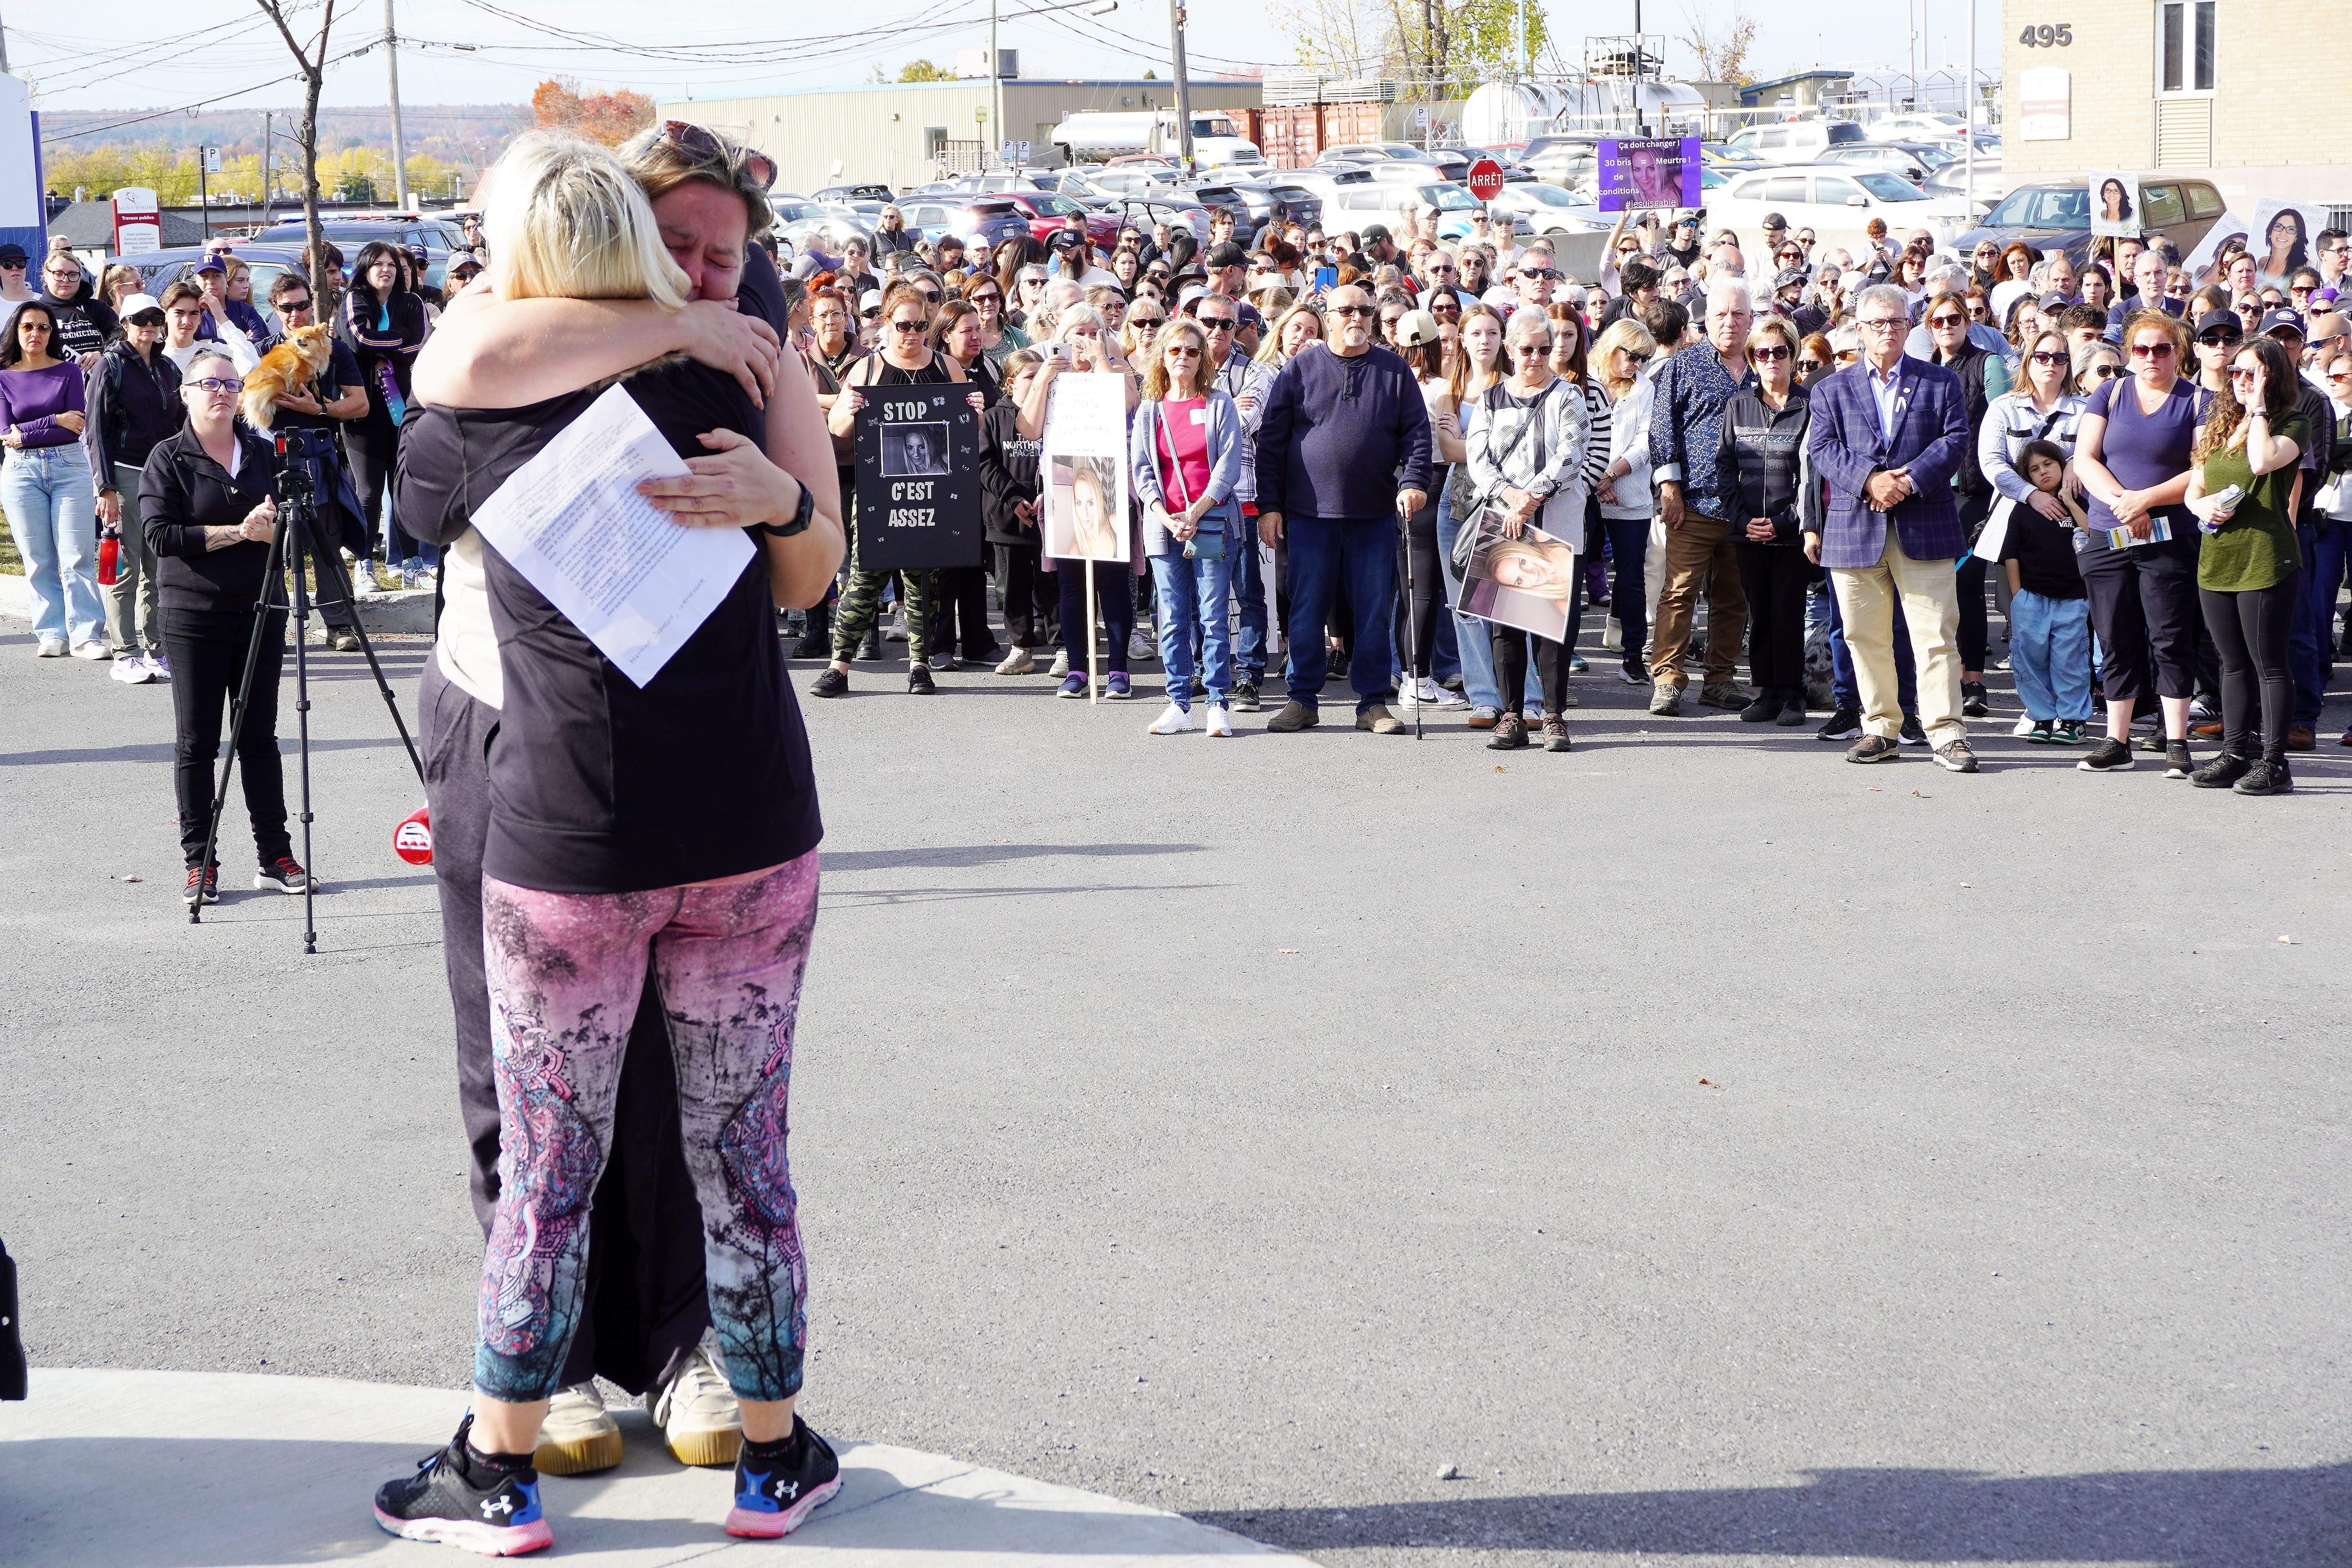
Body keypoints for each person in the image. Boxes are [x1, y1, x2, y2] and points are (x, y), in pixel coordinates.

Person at [380, 131, 847, 1551]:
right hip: (748, 826)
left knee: (547, 1168)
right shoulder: (727, 374)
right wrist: (760, 464)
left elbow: (445, 381)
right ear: (637, 243)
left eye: (725, 255)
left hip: (572, 837)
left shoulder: (475, 416)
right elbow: (806, 568)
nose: (708, 273)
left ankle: (499, 1465)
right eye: (679, 248)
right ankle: (771, 1460)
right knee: (746, 1159)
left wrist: (781, 502)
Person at [140, 347, 312, 905]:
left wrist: (276, 531)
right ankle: (201, 862)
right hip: (193, 616)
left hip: (262, 610)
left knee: (259, 738)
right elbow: (161, 536)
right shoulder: (168, 457)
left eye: (230, 384)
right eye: (209, 384)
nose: (221, 392)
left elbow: (304, 534)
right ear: (185, 394)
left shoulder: (264, 453)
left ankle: (275, 857)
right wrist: (241, 532)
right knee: (198, 743)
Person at [1803, 283, 1977, 772]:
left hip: (1925, 524)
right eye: (1877, 323)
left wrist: (1907, 481)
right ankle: (1880, 729)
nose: (1888, 330)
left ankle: (1947, 733)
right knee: (1864, 637)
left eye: (1897, 322)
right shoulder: (1830, 389)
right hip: (1853, 528)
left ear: (1909, 326)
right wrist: (1870, 481)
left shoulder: (1939, 381)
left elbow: (1955, 439)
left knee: (1935, 635)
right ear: (1859, 329)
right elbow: (1822, 449)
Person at [1254, 282, 1433, 736]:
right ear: (1328, 317)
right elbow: (1271, 443)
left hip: (1374, 514)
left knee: (1373, 611)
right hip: (1309, 515)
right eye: (1347, 310)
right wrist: (1270, 506)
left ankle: (1372, 703)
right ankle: (1302, 699)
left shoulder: (1394, 370)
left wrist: (1414, 482)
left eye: (1365, 311)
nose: (1357, 317)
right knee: (1306, 610)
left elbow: (1417, 434)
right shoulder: (1299, 369)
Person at [813, 279, 982, 699]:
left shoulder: (946, 366)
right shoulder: (868, 368)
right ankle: (838, 667)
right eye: (905, 325)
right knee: (864, 579)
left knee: (923, 582)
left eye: (921, 325)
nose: (913, 334)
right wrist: (849, 408)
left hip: (933, 493)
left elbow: (967, 430)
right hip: (879, 495)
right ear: (888, 323)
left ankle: (919, 666)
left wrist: (975, 412)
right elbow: (837, 428)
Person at [2069, 308, 2206, 775]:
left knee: (2170, 637)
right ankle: (2117, 740)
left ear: (2177, 352)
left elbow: (2202, 470)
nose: (2151, 357)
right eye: (2142, 349)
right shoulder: (2109, 392)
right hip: (2107, 533)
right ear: (2129, 353)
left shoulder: (2197, 399)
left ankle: (2176, 741)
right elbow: (2085, 458)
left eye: (2161, 349)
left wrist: (2146, 499)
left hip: (2170, 536)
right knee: (2115, 636)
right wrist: (2124, 503)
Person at [2183, 334, 2307, 792]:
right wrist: (2200, 506)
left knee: (2268, 664)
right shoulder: (2220, 422)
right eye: (2235, 372)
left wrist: (2257, 410)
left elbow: (2261, 462)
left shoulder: (2291, 421)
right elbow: (2194, 486)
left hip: (2265, 557)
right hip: (2217, 558)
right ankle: (2235, 754)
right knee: (2231, 663)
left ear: (2272, 376)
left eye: (2251, 372)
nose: (2239, 380)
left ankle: (2274, 764)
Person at [1464, 308, 1587, 751]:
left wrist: (1530, 497)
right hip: (1506, 525)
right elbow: (1478, 460)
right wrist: (1510, 497)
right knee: (1507, 625)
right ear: (1511, 350)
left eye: (1543, 348)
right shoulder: (1490, 399)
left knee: (1554, 627)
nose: (1536, 357)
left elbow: (1572, 453)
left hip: (1556, 524)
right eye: (1527, 349)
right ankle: (1512, 715)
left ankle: (1553, 715)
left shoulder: (1568, 395)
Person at [1645, 278, 1757, 716]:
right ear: (1705, 320)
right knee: (1679, 593)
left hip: (1747, 508)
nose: (1730, 322)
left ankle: (1720, 680)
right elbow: (1662, 427)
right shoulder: (1683, 365)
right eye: (1721, 315)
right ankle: (1667, 679)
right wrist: (1669, 486)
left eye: (1738, 314)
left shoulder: (1765, 365)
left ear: (1751, 319)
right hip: (1694, 502)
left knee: (1733, 599)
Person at [1131, 317, 1243, 735]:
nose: (1183, 357)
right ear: (1162, 355)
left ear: (1202, 359)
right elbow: (1142, 471)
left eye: (1192, 351)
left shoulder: (1219, 404)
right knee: (1173, 617)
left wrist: (1195, 513)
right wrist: (1165, 516)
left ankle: (1217, 703)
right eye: (1175, 350)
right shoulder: (1150, 409)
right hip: (1165, 527)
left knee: (1213, 617)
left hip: (1210, 522)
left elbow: (1228, 465)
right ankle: (1179, 702)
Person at [253, 271, 374, 653]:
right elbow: (240, 402)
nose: (296, 314)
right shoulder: (262, 349)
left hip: (319, 456)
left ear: (312, 305)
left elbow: (361, 405)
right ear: (275, 309)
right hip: (272, 456)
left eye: (302, 305)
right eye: (287, 307)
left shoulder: (332, 349)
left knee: (327, 543)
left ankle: (338, 625)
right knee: (270, 544)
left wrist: (318, 408)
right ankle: (272, 627)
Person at [1024, 304, 1142, 696]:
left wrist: (1101, 360)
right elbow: (1028, 428)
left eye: (1095, 332)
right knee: (1072, 586)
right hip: (1063, 482)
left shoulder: (1118, 367)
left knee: (1112, 583)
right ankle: (1077, 669)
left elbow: (1123, 406)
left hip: (1109, 480)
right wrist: (1043, 379)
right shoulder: (1050, 373)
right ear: (1063, 335)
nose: (1086, 340)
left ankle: (1119, 670)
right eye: (1079, 332)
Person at [1716, 315, 1821, 726]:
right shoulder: (1738, 405)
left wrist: (1784, 522)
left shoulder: (1810, 406)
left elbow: (1812, 476)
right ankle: (1766, 692)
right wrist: (1741, 519)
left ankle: (1793, 694)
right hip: (1748, 532)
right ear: (1752, 359)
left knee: (1788, 612)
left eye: (1780, 351)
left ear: (1793, 356)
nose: (1772, 359)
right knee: (1758, 613)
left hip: (1791, 533)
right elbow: (1726, 467)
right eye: (1763, 353)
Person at [85, 292, 184, 677]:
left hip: (162, 475)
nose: (150, 326)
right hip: (124, 474)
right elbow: (96, 431)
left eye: (156, 318)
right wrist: (105, 487)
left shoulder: (167, 367)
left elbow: (181, 423)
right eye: (141, 319)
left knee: (159, 567)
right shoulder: (110, 366)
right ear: (125, 323)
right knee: (125, 566)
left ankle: (155, 649)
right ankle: (124, 651)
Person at [0, 300, 103, 661]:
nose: (36, 333)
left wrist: (29, 431)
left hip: (69, 466)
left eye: (43, 327)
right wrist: (54, 420)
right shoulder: (3, 377)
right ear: (16, 331)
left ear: (51, 333)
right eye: (28, 326)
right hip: (21, 472)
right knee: (37, 558)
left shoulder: (69, 372)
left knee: (77, 555)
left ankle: (87, 636)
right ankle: (52, 633)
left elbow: (75, 424)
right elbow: (6, 434)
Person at [1199, 291, 1276, 709]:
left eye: (1226, 324)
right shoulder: (1178, 367)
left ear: (1238, 328)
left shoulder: (1257, 373)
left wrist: (1205, 408)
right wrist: (1227, 403)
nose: (1217, 330)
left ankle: (1248, 675)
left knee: (1248, 594)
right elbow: (1175, 427)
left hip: (1241, 500)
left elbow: (1241, 427)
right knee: (1200, 595)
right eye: (1209, 322)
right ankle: (1204, 669)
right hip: (1192, 502)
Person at [340, 240, 429, 593]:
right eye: (378, 264)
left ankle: (412, 564)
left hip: (404, 407)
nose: (386, 270)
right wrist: (396, 340)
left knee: (404, 486)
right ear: (365, 269)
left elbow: (417, 346)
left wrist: (385, 346)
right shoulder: (354, 299)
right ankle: (364, 565)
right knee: (369, 491)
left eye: (391, 264)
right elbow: (358, 340)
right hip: (363, 411)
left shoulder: (411, 302)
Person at [1391, 308, 1462, 713]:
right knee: (1425, 591)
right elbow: (1451, 446)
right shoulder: (1441, 388)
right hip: (1432, 483)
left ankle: (1413, 678)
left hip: (1397, 483)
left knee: (1409, 591)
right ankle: (1418, 681)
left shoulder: (1389, 381)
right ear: (1436, 344)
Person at [2000, 439, 2094, 742]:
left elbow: (2093, 536)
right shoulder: (2023, 510)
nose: (2043, 472)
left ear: (2062, 465)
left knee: (2070, 660)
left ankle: (2073, 720)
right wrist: (2018, 595)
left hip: (2073, 597)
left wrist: (2070, 501)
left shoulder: (2082, 502)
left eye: (2048, 464)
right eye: (2034, 469)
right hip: (2032, 598)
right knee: (2030, 660)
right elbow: (2011, 555)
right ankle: (2041, 717)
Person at [1592, 318, 1660, 688]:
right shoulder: (1585, 379)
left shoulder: (1645, 388)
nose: (1638, 364)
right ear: (1612, 348)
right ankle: (1559, 656)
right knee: (1572, 573)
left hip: (1629, 492)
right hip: (1584, 490)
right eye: (1633, 356)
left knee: (1632, 575)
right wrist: (1597, 479)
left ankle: (1633, 655)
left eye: (1644, 358)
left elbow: (1645, 442)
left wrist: (1611, 475)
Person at [979, 348, 1053, 673]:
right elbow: (985, 464)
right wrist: (1012, 498)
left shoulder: (1054, 412)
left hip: (1049, 514)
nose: (1040, 382)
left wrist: (1047, 493)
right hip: (1007, 518)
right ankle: (1021, 648)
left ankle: (1064, 647)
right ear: (1011, 382)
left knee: (1052, 585)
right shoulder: (995, 417)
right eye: (1031, 376)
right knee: (1014, 588)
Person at [2259, 207, 2310, 287]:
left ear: (2297, 236)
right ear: (2271, 231)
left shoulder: (2306, 265)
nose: (2283, 234)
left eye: (2291, 229)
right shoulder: (2262, 263)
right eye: (2278, 227)